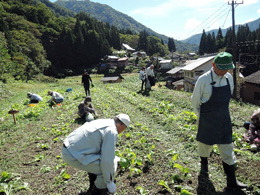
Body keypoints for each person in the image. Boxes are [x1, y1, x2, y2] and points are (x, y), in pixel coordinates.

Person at [191, 52, 247, 189]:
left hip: (223, 120)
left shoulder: (228, 78)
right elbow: (195, 102)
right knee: (204, 146)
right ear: (213, 65)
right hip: (207, 120)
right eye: (222, 69)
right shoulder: (203, 80)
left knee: (228, 149)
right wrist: (202, 118)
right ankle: (204, 166)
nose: (224, 72)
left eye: (227, 69)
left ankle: (232, 181)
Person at [62, 114, 131, 194]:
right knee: (106, 169)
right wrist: (109, 182)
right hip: (72, 154)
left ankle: (92, 188)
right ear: (121, 124)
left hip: (69, 147)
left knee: (99, 163)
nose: (121, 132)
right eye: (123, 129)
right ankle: (98, 191)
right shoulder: (111, 131)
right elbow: (107, 160)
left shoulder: (104, 121)